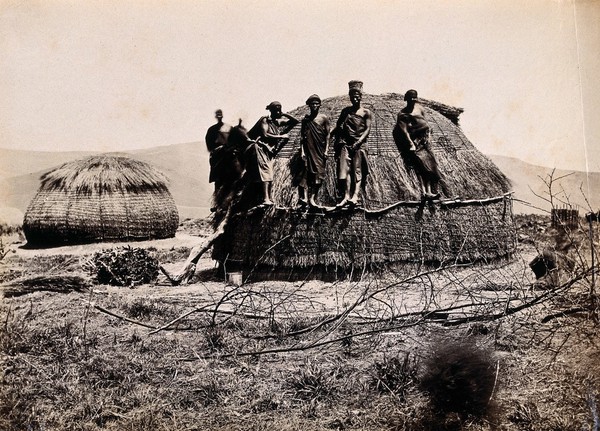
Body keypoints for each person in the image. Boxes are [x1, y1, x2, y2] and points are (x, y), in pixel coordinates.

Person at [393, 89, 444, 200]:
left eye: (414, 98)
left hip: (424, 140)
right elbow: (404, 131)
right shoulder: (402, 114)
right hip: (415, 141)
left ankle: (430, 191)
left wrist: (428, 135)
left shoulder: (420, 108)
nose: (412, 100)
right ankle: (424, 191)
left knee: (430, 165)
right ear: (406, 99)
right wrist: (411, 143)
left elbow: (424, 121)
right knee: (421, 165)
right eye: (410, 98)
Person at [246, 101, 299, 205]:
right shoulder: (265, 120)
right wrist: (281, 136)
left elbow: (295, 122)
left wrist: (283, 114)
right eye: (276, 110)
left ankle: (269, 198)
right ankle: (265, 199)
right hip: (261, 148)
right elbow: (265, 135)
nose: (278, 112)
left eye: (279, 109)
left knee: (270, 173)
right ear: (271, 110)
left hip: (269, 151)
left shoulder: (277, 122)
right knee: (266, 172)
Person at [332, 80, 372, 207]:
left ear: (360, 97)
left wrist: (359, 142)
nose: (354, 98)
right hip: (346, 144)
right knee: (346, 170)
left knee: (357, 170)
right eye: (352, 96)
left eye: (357, 96)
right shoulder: (345, 112)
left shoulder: (366, 112)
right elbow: (338, 126)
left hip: (359, 145)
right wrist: (328, 136)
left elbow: (367, 129)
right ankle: (346, 196)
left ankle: (355, 195)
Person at [298, 94, 330, 208]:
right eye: (312, 104)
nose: (315, 105)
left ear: (320, 105)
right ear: (309, 105)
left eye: (316, 103)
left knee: (319, 173)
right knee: (306, 173)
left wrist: (326, 150)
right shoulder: (305, 120)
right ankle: (304, 198)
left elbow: (327, 135)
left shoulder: (324, 118)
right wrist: (302, 152)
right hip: (308, 150)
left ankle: (312, 198)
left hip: (319, 151)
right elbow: (302, 138)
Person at [205, 109, 233, 191]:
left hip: (229, 152)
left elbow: (234, 139)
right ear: (216, 116)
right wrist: (217, 149)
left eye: (220, 114)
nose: (219, 116)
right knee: (217, 174)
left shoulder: (229, 128)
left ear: (222, 115)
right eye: (218, 114)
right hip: (218, 154)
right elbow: (209, 144)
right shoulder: (211, 129)